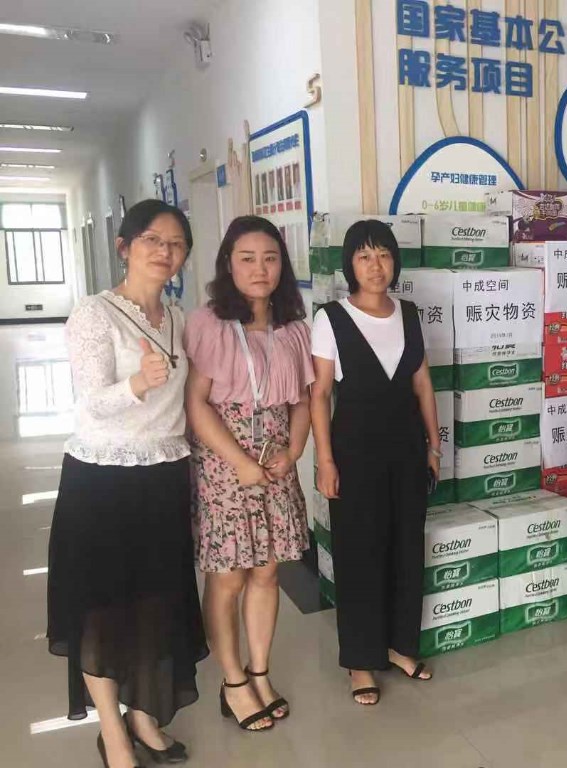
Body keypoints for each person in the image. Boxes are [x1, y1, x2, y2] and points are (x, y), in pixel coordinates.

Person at [47, 200, 208, 768]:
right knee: (103, 608)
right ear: (125, 247)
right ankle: (112, 731)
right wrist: (138, 383)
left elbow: (186, 403)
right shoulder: (94, 314)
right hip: (102, 482)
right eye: (152, 240)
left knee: (155, 603)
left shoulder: (179, 317)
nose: (165, 252)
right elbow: (91, 402)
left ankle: (143, 713)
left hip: (163, 477)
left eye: (176, 244)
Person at [183, 216, 313, 731]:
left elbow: (302, 401)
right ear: (228, 265)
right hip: (224, 463)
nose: (261, 269)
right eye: (247, 258)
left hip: (275, 461)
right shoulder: (209, 324)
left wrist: (294, 449)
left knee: (267, 572)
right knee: (228, 577)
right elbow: (196, 403)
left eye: (271, 258)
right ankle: (233, 681)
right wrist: (239, 463)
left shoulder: (293, 329)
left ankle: (260, 671)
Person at [309, 220, 441, 705]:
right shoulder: (331, 318)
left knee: (406, 548)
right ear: (350, 264)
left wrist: (433, 446)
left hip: (407, 450)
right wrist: (325, 461)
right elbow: (320, 394)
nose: (375, 265)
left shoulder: (409, 313)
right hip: (355, 453)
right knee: (359, 554)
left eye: (383, 254)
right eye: (364, 256)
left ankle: (400, 646)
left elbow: (422, 384)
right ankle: (361, 661)